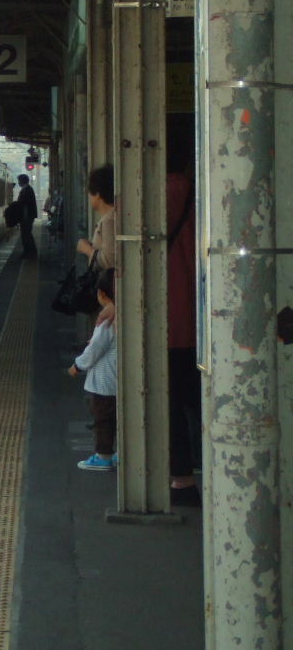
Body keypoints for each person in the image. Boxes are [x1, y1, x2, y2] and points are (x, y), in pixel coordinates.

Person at [165, 129, 201, 506]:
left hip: (164, 316)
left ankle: (182, 480)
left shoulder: (153, 194)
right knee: (196, 397)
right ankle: (210, 463)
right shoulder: (198, 191)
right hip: (199, 314)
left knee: (168, 401)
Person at [69, 267, 118, 471]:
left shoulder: (106, 321)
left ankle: (103, 456)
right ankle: (120, 453)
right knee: (118, 419)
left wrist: (77, 365)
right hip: (117, 380)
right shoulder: (122, 316)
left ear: (101, 294)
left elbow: (94, 349)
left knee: (102, 420)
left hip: (104, 384)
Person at [76, 164, 116, 271]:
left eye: (89, 192)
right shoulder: (111, 217)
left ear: (97, 194)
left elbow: (109, 261)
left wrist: (87, 249)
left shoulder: (109, 221)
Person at [14, 173, 38, 259]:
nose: (18, 183)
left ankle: (30, 253)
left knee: (26, 235)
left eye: (19, 181)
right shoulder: (27, 189)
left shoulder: (27, 190)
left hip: (27, 216)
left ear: (22, 181)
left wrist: (14, 205)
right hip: (27, 216)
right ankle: (30, 252)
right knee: (27, 234)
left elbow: (22, 202)